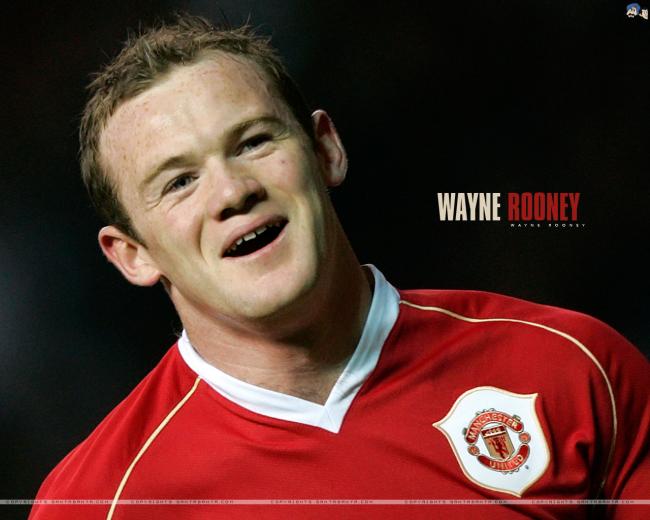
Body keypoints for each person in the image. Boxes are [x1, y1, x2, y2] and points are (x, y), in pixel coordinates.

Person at [30, 14, 649, 520]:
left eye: (254, 142)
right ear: (132, 254)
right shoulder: (95, 502)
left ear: (325, 149)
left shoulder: (573, 368)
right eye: (179, 182)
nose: (233, 192)